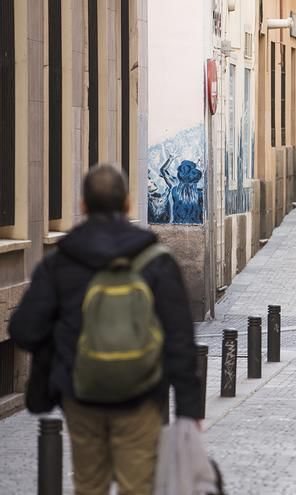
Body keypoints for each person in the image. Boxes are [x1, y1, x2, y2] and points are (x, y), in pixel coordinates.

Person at [8, 164, 200, 494]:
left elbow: (24, 328)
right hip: (141, 397)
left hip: (82, 396)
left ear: (83, 205)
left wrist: (62, 349)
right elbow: (179, 338)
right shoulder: (156, 260)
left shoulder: (61, 261)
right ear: (127, 204)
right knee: (137, 485)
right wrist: (189, 409)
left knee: (89, 485)